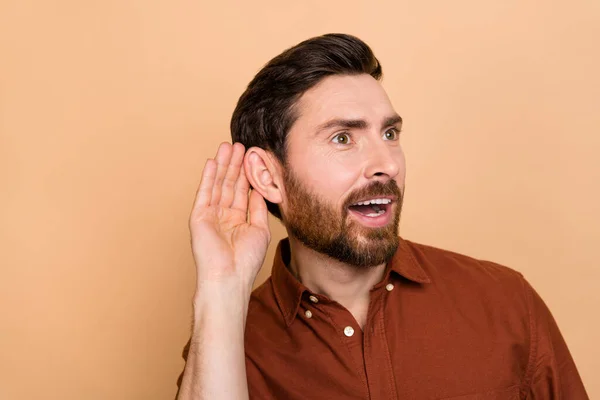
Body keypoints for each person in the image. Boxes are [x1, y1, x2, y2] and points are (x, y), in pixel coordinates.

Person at [176, 34, 588, 399]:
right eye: (343, 138)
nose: (386, 164)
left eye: (389, 134)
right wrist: (221, 288)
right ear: (269, 177)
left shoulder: (505, 301)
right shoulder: (224, 344)